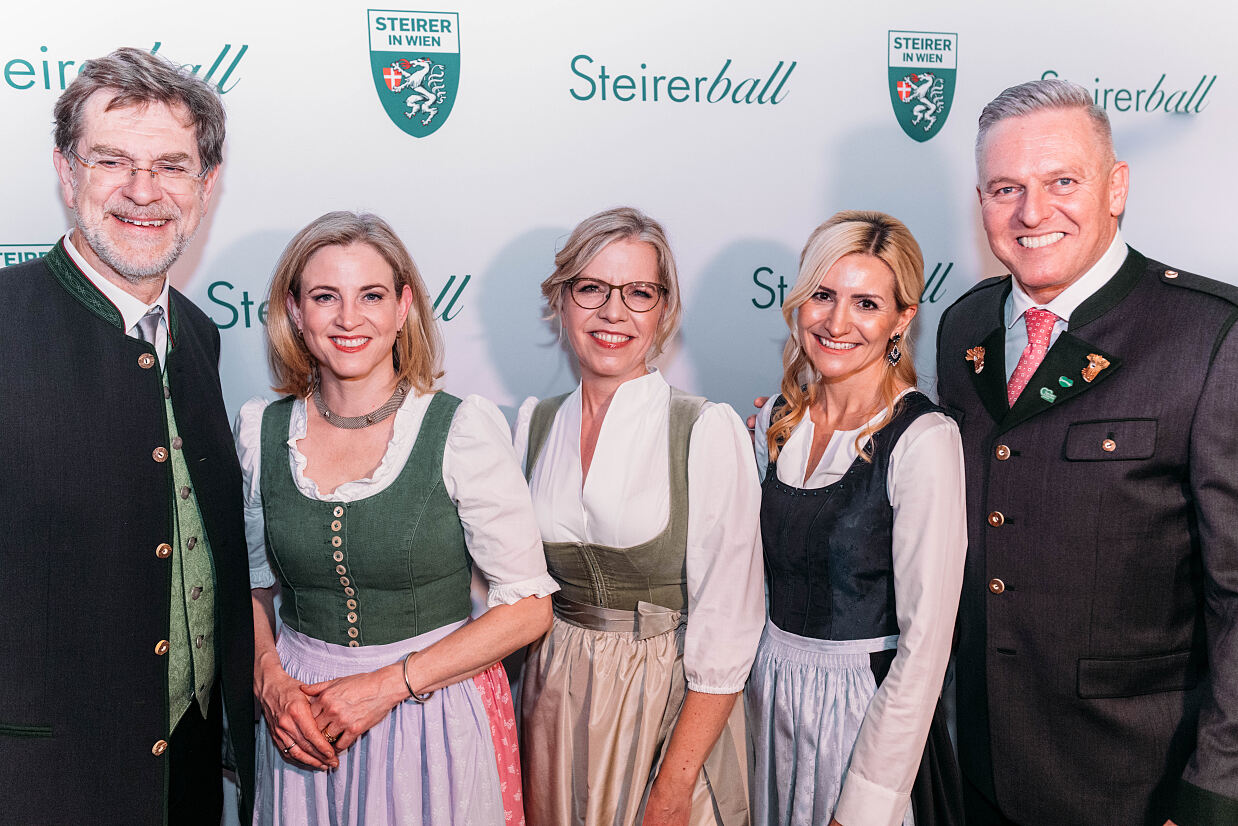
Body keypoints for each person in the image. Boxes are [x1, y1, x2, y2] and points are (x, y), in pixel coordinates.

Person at [936, 78, 1238, 825]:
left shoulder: (1210, 339)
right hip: (973, 768)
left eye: (1061, 181)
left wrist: (1212, 796)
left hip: (1136, 786)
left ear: (1116, 188)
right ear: (981, 202)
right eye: (1006, 188)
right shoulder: (961, 327)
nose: (1032, 213)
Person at [0, 47, 254, 824]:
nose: (143, 192)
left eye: (172, 167)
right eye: (112, 160)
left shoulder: (203, 337)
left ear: (205, 188)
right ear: (66, 172)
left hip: (186, 770)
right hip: (39, 780)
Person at [237, 210, 555, 825]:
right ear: (295, 312)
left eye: (372, 296)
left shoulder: (460, 428)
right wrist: (270, 676)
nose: (349, 319)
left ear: (404, 306)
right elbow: (255, 583)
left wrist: (385, 686)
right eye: (325, 296)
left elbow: (529, 607)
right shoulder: (261, 429)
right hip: (300, 719)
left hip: (429, 712)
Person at [515, 206, 765, 825]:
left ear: (663, 310)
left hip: (667, 706)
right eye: (592, 288)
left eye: (638, 293)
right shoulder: (532, 424)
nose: (613, 312)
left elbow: (729, 625)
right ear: (562, 301)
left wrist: (674, 785)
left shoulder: (705, 429)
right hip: (552, 700)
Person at [748, 211, 966, 826]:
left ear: (902, 318)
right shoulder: (774, 423)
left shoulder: (924, 439)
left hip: (863, 718)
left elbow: (926, 648)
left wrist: (867, 804)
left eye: (866, 303)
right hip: (767, 706)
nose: (837, 323)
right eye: (823, 295)